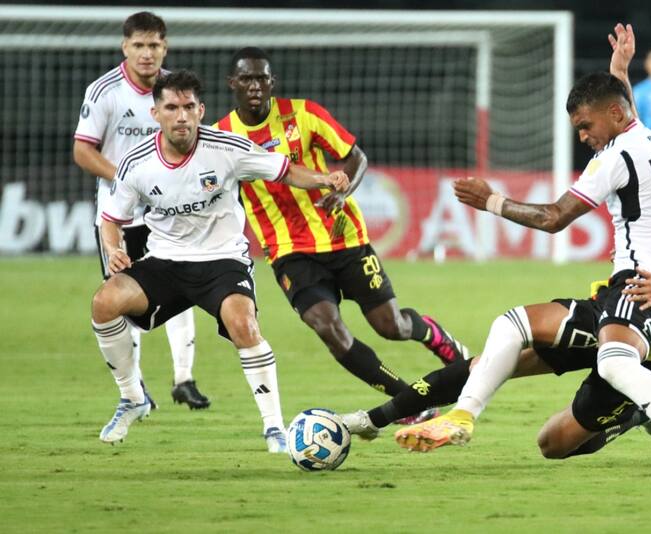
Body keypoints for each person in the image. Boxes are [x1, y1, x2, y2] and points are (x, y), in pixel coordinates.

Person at [380, 58, 651, 476]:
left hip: (637, 287)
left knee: (614, 364)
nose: (584, 137)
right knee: (512, 325)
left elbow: (554, 218)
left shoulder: (617, 154)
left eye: (586, 125)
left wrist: (492, 202)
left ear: (615, 114)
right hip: (625, 289)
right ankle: (462, 416)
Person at [90, 70, 349, 451]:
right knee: (104, 303)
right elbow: (111, 219)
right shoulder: (137, 163)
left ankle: (274, 428)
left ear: (201, 110)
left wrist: (326, 178)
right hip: (165, 260)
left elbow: (285, 170)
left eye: (189, 107)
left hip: (222, 259)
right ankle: (133, 398)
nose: (181, 116)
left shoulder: (227, 147)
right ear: (156, 112)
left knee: (243, 323)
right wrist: (114, 250)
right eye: (172, 107)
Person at [212, 47, 468, 408]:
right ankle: (409, 401)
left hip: (343, 238)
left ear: (272, 83)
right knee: (329, 329)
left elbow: (355, 158)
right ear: (232, 83)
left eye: (261, 78)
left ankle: (437, 337)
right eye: (246, 79)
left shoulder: (303, 114)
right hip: (289, 251)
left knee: (391, 326)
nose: (255, 86)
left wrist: (344, 186)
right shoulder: (221, 137)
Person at [73, 11, 209, 410]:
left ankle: (184, 377)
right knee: (123, 298)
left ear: (164, 47)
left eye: (153, 45)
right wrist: (130, 178)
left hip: (170, 212)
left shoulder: (175, 95)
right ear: (125, 47)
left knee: (183, 287)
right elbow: (83, 150)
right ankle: (136, 390)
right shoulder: (105, 92)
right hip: (121, 216)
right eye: (138, 45)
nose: (146, 54)